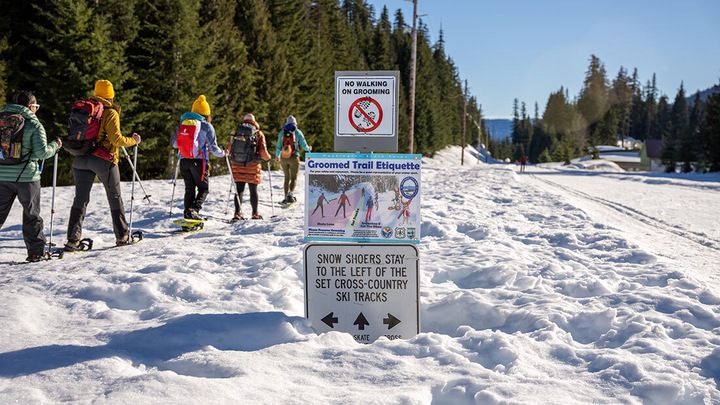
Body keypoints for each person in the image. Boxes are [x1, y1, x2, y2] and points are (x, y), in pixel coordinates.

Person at [65, 80, 141, 251]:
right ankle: (122, 236)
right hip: (103, 160)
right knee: (114, 197)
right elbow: (116, 139)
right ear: (111, 95)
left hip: (80, 158)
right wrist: (133, 140)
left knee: (80, 199)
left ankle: (72, 239)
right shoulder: (110, 112)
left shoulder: (85, 109)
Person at [0, 91, 61, 262]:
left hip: (1, 175)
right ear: (30, 106)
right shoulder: (34, 124)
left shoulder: (2, 120)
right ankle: (36, 252)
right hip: (27, 177)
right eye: (36, 107)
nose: (36, 110)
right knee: (31, 215)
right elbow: (41, 152)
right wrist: (55, 145)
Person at [172, 95, 225, 220]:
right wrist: (224, 153)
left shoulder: (183, 123)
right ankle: (193, 211)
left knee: (189, 189)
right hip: (199, 162)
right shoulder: (206, 126)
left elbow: (175, 144)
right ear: (206, 114)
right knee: (203, 189)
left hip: (184, 161)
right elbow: (214, 149)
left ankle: (187, 215)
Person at [228, 113, 271, 221]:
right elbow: (262, 150)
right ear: (254, 121)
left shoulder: (237, 131)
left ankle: (237, 213)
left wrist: (228, 154)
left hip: (237, 164)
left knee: (239, 189)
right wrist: (268, 158)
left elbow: (230, 148)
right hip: (253, 165)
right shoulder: (258, 133)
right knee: (253, 190)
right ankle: (255, 213)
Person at [275, 115, 311, 204]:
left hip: (284, 157)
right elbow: (303, 144)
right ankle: (290, 195)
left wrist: (277, 156)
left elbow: (279, 146)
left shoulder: (282, 132)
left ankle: (285, 196)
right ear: (295, 123)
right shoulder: (297, 132)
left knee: (286, 177)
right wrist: (308, 149)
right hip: (294, 157)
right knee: (294, 177)